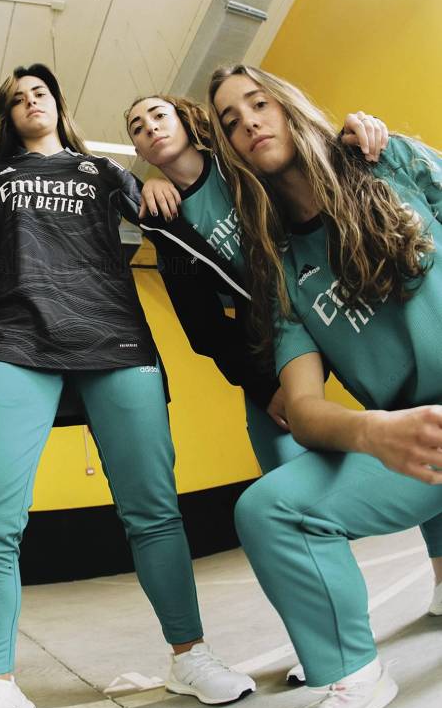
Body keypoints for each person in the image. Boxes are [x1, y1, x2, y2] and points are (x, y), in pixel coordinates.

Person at [0, 63, 256, 708]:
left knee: (153, 512)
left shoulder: (103, 172)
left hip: (114, 342)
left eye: (41, 92)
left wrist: (163, 186)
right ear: (7, 116)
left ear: (57, 105)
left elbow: (182, 208)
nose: (32, 100)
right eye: (18, 97)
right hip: (16, 345)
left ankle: (189, 656)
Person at [206, 63, 442, 708]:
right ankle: (354, 671)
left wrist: (379, 141)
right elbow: (303, 410)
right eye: (229, 121)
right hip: (419, 437)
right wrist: (375, 431)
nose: (247, 121)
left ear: (286, 107)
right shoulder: (281, 269)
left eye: (257, 103)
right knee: (267, 509)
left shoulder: (387, 161)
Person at [126, 94, 388, 475]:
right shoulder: (169, 228)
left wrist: (360, 130)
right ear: (139, 151)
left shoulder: (237, 159)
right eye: (138, 127)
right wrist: (264, 391)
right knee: (283, 465)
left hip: (329, 299)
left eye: (159, 115)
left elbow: (307, 163)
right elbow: (204, 328)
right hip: (274, 337)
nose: (150, 127)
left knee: (402, 409)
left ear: (183, 120)